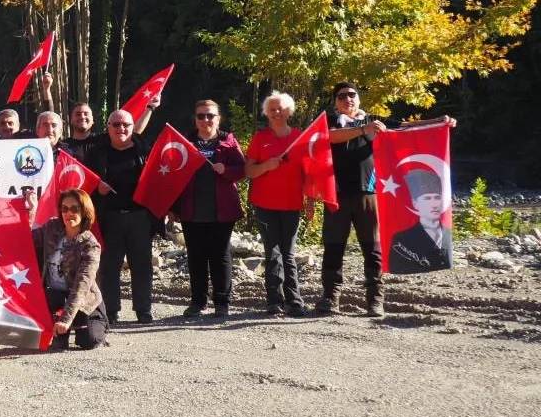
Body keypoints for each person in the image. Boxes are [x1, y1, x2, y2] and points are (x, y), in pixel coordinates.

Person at [317, 81, 457, 317]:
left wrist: (437, 122)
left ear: (359, 98)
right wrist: (363, 130)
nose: (347, 99)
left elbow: (406, 127)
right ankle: (330, 299)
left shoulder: (374, 120)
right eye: (341, 96)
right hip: (336, 195)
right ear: (335, 102)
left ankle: (375, 301)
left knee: (372, 249)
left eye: (352, 94)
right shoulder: (330, 122)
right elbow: (330, 137)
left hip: (369, 194)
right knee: (333, 248)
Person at [170, 100, 245, 318]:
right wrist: (174, 207)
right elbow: (174, 176)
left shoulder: (228, 141)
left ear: (218, 118)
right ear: (195, 119)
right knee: (195, 257)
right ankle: (198, 302)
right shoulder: (185, 142)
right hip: (192, 210)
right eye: (201, 116)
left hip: (222, 210)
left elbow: (242, 170)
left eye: (210, 116)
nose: (205, 120)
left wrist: (226, 170)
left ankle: (222, 302)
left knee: (221, 256)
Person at [85, 109, 153, 324]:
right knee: (109, 266)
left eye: (126, 125)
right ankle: (111, 311)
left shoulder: (145, 150)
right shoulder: (97, 153)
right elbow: (85, 182)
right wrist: (97, 187)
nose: (121, 129)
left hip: (140, 216)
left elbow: (161, 181)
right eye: (116, 125)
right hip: (109, 217)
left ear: (133, 127)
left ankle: (143, 310)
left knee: (142, 265)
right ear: (108, 128)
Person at [244, 92, 306, 317]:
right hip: (265, 204)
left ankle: (295, 300)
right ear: (266, 113)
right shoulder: (261, 138)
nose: (277, 112)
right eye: (272, 109)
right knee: (273, 252)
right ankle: (273, 300)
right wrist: (266, 166)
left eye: (280, 108)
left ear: (289, 111)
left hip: (292, 203)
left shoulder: (300, 138)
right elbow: (248, 170)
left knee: (288, 253)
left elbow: (309, 172)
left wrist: (310, 201)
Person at [25, 187, 108, 350]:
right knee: (56, 344)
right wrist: (32, 210)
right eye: (64, 209)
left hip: (82, 300)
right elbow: (26, 238)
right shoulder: (52, 227)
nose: (68, 213)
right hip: (54, 296)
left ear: (85, 211)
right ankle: (59, 328)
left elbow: (81, 286)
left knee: (90, 341)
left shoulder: (91, 246)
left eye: (74, 209)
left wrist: (66, 319)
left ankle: (97, 323)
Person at [388, 169, 454, 274]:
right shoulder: (402, 238)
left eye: (437, 198)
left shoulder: (447, 232)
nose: (434, 204)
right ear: (415, 204)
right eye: (427, 198)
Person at [64, 97, 159, 162]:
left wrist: (150, 108)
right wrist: (48, 90)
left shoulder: (103, 139)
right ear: (71, 120)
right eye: (78, 114)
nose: (82, 117)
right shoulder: (63, 147)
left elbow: (132, 132)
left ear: (93, 120)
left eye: (86, 114)